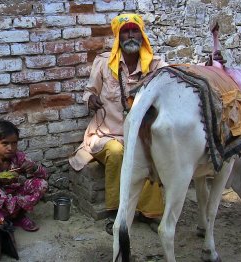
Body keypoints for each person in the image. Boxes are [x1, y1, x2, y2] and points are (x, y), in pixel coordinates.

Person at [69, 13, 167, 234]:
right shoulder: (104, 62)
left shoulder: (155, 64)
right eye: (125, 31)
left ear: (141, 34)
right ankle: (116, 212)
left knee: (147, 152)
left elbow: (171, 82)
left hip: (140, 134)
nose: (130, 35)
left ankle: (149, 212)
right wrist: (91, 99)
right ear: (118, 36)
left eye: (135, 31)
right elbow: (89, 91)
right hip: (106, 134)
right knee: (116, 152)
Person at [0, 120, 49, 232]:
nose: (10, 148)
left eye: (14, 143)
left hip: (15, 195)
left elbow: (45, 175)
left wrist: (34, 167)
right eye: (5, 143)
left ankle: (19, 217)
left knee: (41, 184)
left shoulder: (20, 157)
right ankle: (0, 218)